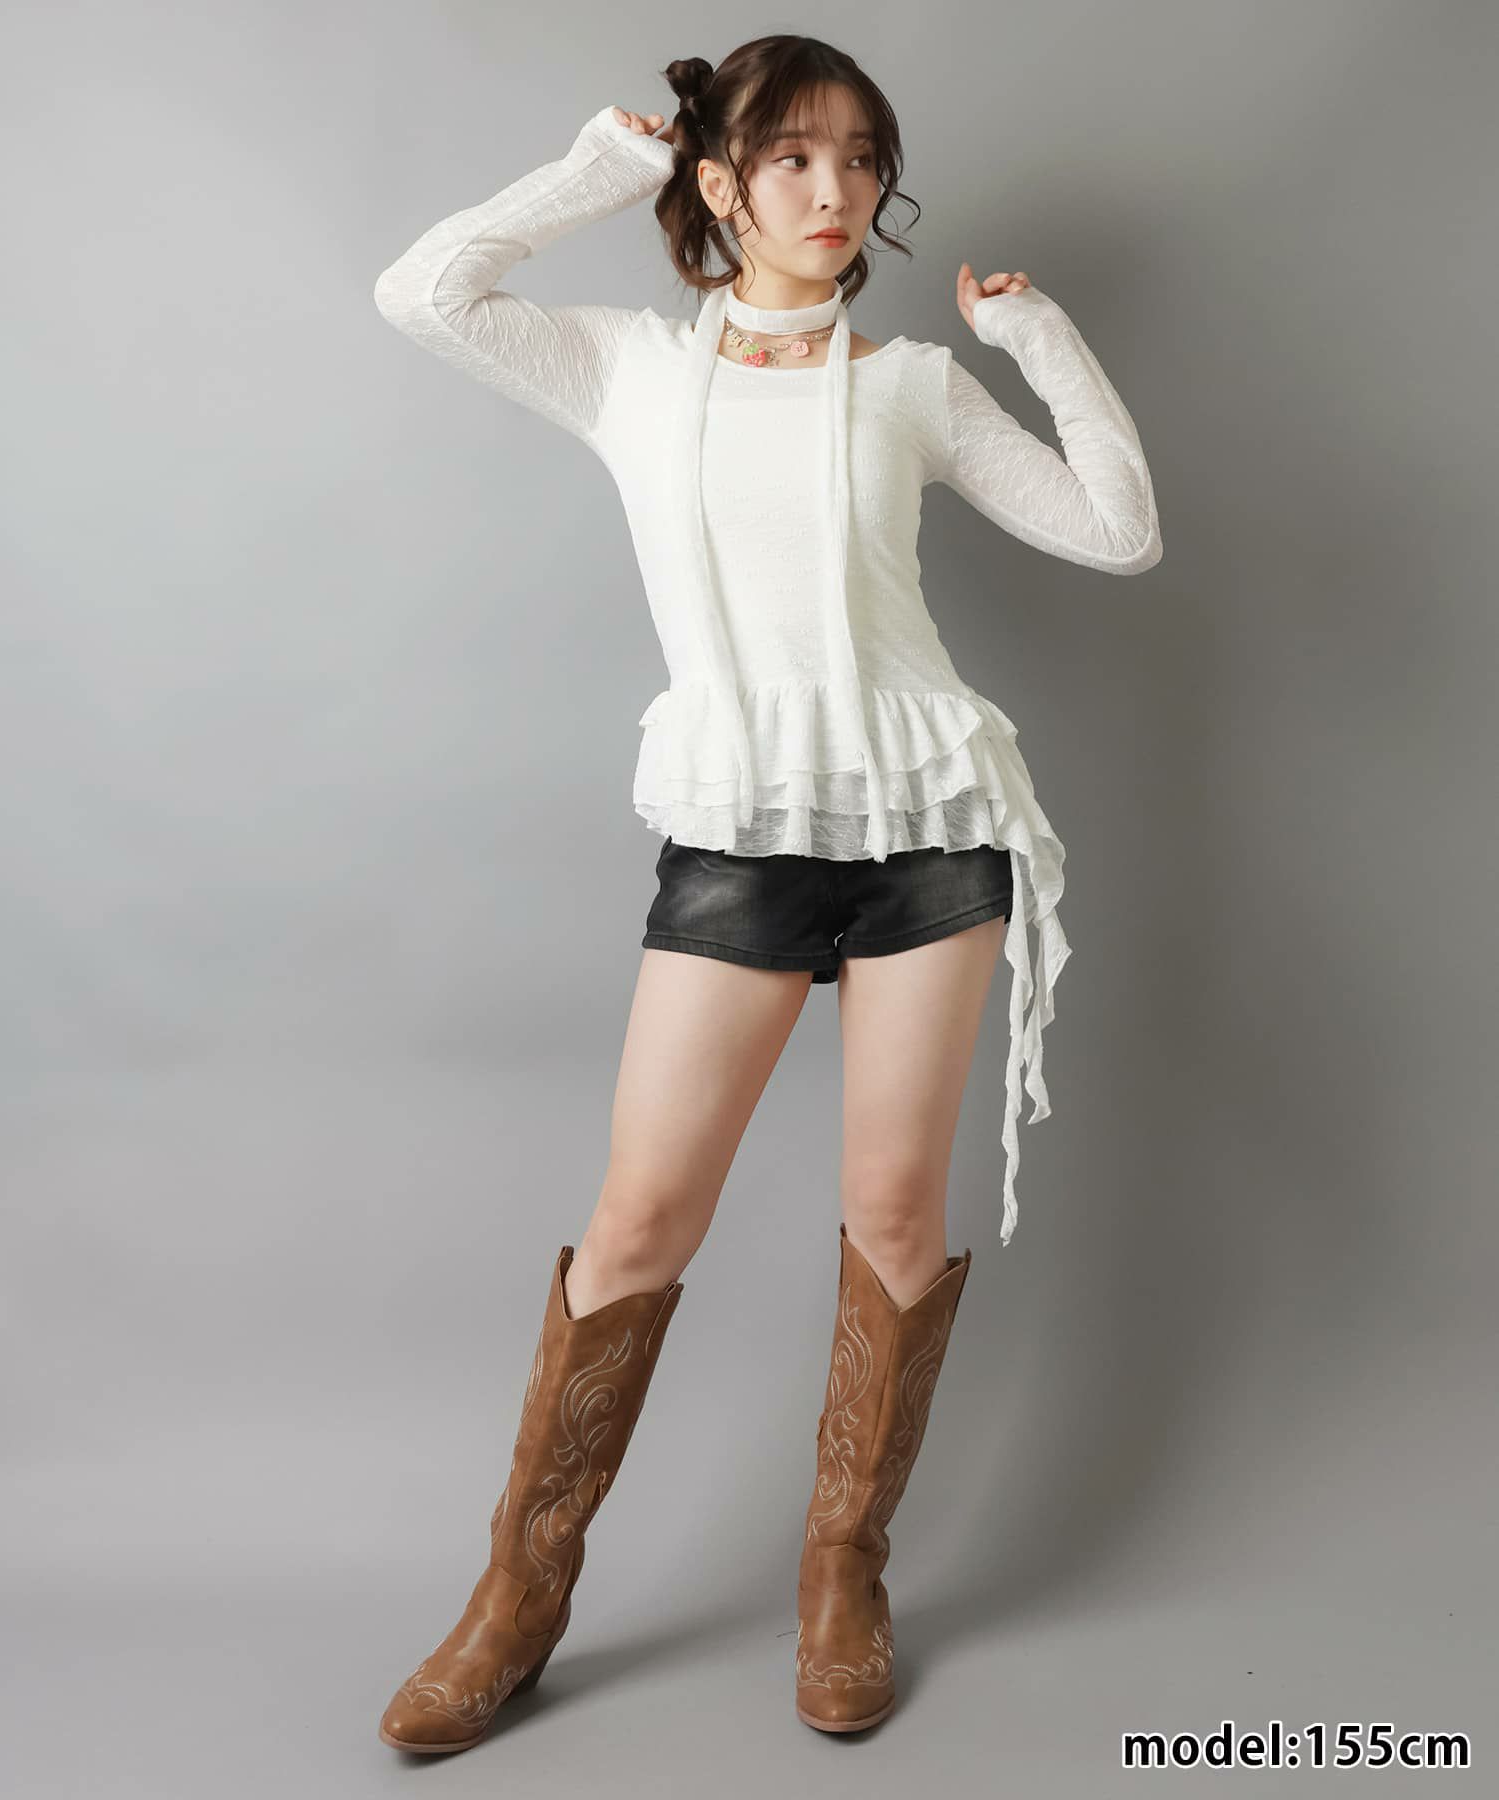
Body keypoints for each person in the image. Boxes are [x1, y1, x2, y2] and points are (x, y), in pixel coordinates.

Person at [370, 33, 1161, 1751]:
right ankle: (519, 1595)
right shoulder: (627, 371)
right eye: (794, 157)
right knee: (642, 1216)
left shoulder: (912, 386)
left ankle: (843, 1574)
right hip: (740, 833)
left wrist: (1039, 337)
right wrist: (598, 168)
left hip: (930, 827)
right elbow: (424, 292)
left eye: (863, 158)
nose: (836, 190)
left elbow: (1119, 532)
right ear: (721, 183)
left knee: (892, 1210)